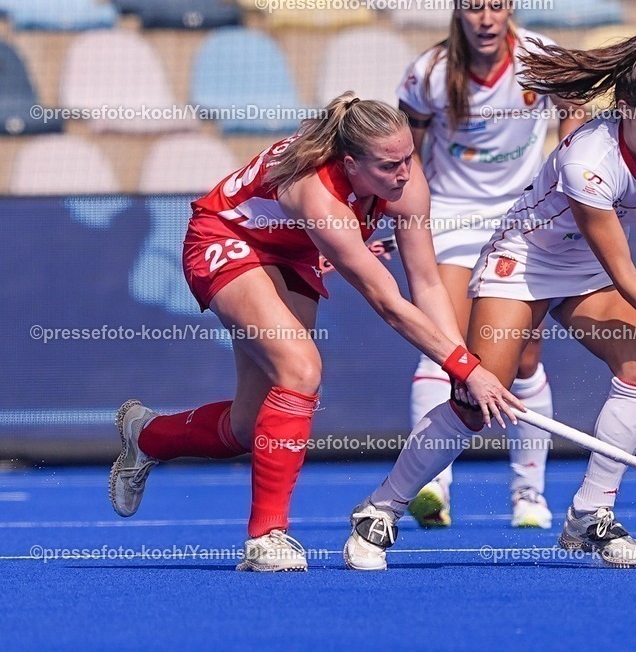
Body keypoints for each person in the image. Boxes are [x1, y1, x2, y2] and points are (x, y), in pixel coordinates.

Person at [342, 32, 636, 571]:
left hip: (584, 268)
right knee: (479, 399)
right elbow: (624, 274)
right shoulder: (589, 162)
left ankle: (590, 515)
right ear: (625, 109)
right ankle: (379, 509)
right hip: (524, 262)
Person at [108, 93, 521, 572]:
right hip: (225, 237)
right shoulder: (317, 192)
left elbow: (427, 283)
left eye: (409, 157)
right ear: (351, 164)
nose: (405, 173)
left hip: (292, 253)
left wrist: (457, 363)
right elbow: (388, 302)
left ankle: (148, 435)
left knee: (250, 426)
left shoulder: (405, 181)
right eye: (390, 166)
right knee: (301, 368)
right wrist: (467, 368)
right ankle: (266, 539)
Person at [397, 0, 584, 530]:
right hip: (450, 216)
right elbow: (402, 152)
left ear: (509, 8)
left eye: (495, 5)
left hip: (522, 220)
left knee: (524, 359)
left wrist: (568, 165)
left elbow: (574, 107)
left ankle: (528, 492)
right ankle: (433, 485)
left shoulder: (539, 57)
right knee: (446, 346)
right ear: (459, 9)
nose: (485, 17)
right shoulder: (429, 73)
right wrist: (389, 219)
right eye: (474, 6)